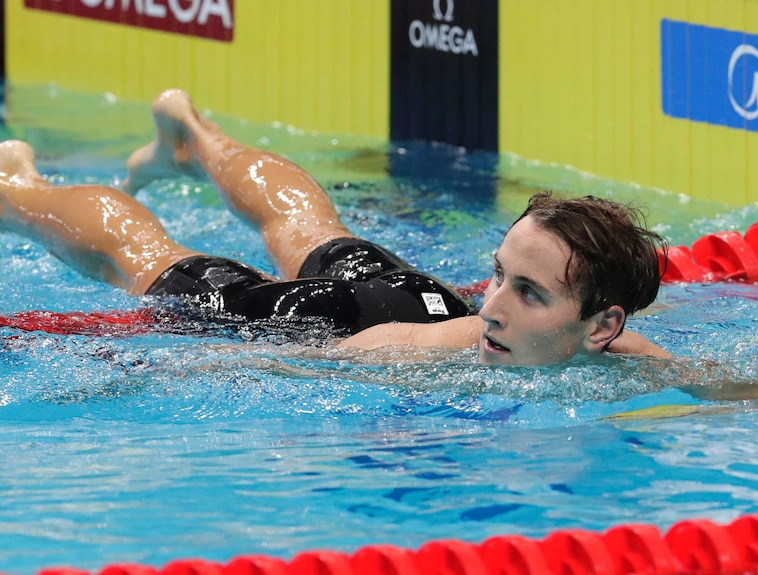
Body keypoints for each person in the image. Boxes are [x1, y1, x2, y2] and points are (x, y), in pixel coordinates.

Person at [0, 88, 670, 365]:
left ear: (601, 325)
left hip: (409, 290)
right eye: (499, 274)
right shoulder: (426, 352)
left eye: (528, 292)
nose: (492, 305)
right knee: (143, 255)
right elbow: (295, 365)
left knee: (305, 220)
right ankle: (17, 184)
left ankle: (196, 137)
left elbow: (679, 367)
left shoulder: (612, 342)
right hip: (336, 323)